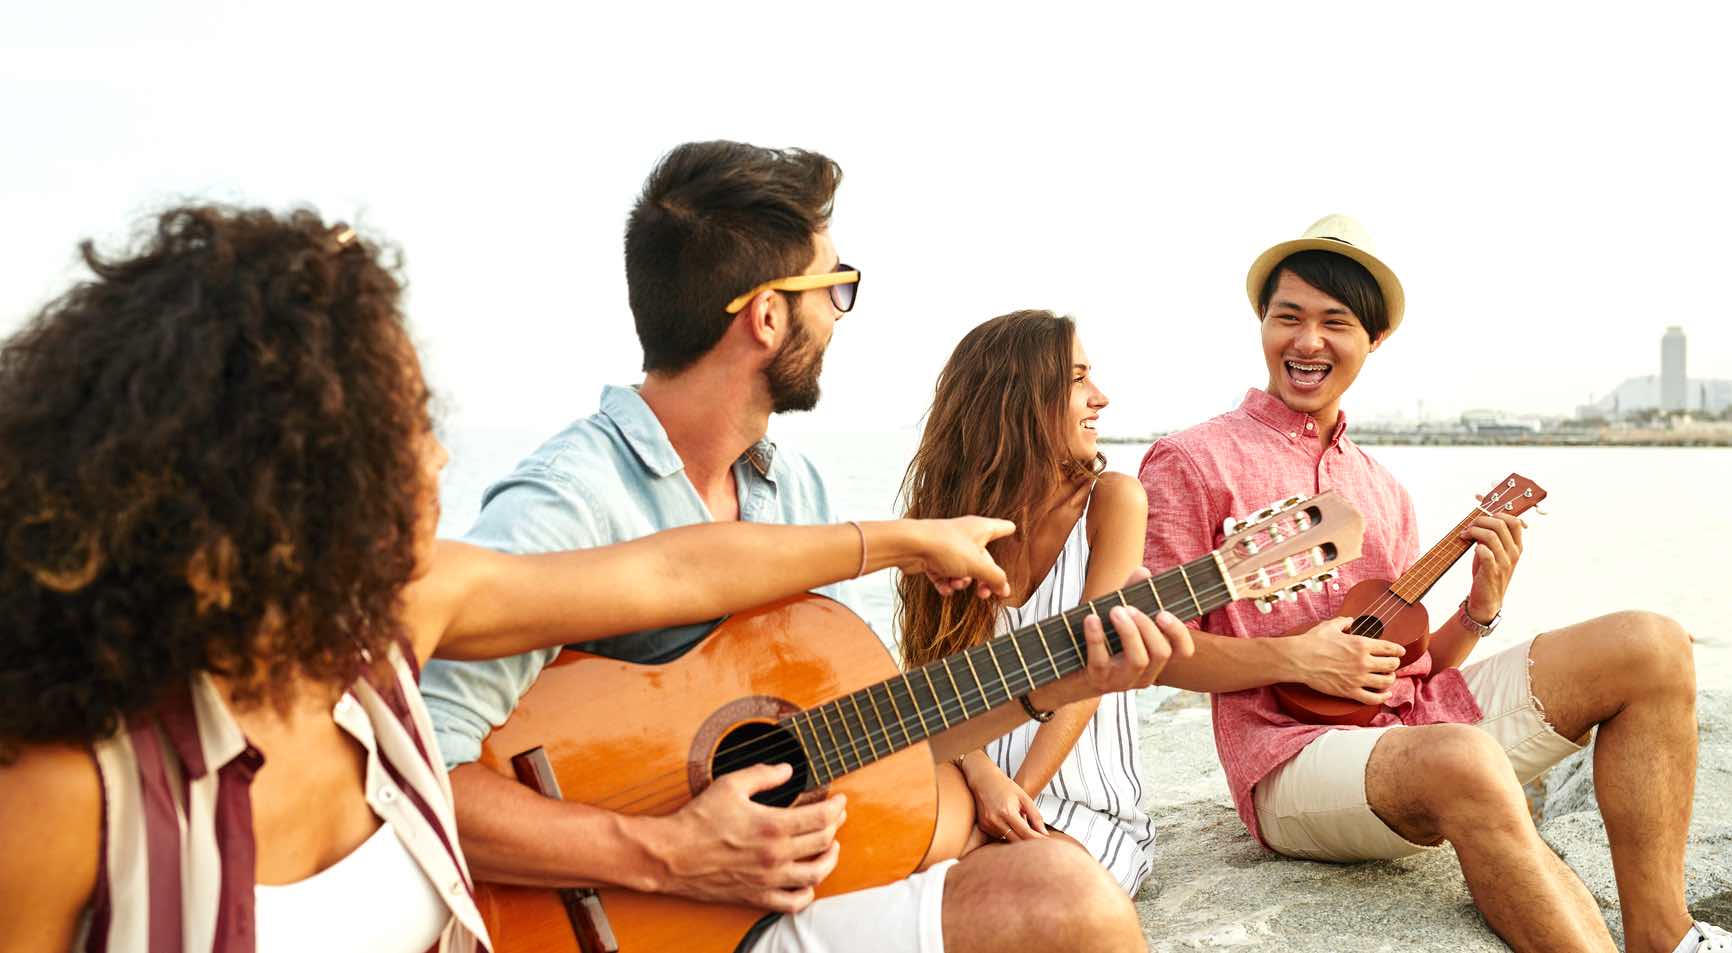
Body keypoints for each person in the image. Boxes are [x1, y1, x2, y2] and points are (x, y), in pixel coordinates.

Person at [0, 205, 1034, 953]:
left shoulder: (401, 619)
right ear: (287, 472)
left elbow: (673, 567)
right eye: (405, 426)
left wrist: (901, 540)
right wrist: (667, 853)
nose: (438, 460)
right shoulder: (65, 794)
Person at [419, 141, 1189, 953]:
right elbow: (418, 780)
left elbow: (863, 734)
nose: (837, 315)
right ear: (769, 315)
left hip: (776, 903)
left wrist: (1063, 681)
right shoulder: (571, 498)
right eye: (835, 288)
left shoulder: (796, 494)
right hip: (624, 916)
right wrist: (671, 854)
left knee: (1067, 892)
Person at [1138, 214, 1726, 953]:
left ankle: (1662, 933)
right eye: (1288, 317)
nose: (1307, 341)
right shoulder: (1191, 461)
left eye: (1335, 322)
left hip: (1409, 736)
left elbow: (1413, 670)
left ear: (1373, 340)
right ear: (1262, 322)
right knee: (1463, 757)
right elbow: (1151, 652)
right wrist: (1294, 658)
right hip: (1289, 760)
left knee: (1655, 644)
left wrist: (1479, 610)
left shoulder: (1384, 490)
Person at [896, 310, 1165, 894]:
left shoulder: (1113, 503)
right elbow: (931, 680)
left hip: (1079, 798)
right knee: (901, 880)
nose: (1101, 398)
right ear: (1018, 397)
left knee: (1026, 891)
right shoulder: (941, 520)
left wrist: (1019, 790)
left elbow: (1091, 681)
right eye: (1077, 379)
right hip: (964, 778)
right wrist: (984, 777)